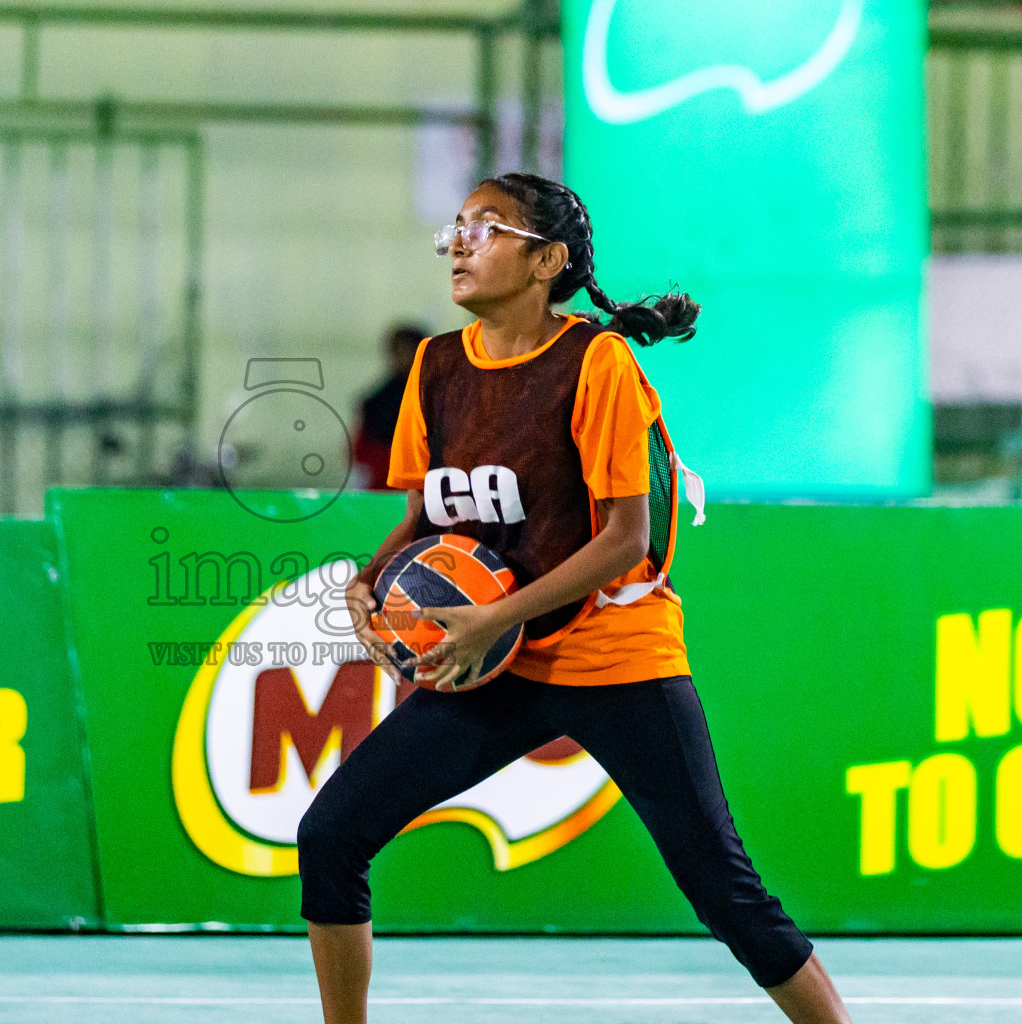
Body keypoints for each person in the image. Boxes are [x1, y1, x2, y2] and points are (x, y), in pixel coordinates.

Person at [303, 173, 854, 1024]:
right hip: (501, 665)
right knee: (332, 835)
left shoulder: (595, 362)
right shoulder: (436, 365)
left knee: (726, 893)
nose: (460, 243)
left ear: (545, 261)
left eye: (487, 229)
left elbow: (626, 539)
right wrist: (370, 580)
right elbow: (425, 512)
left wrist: (494, 616)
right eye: (457, 227)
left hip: (615, 655)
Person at [351, 322, 427, 490]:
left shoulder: (438, 399)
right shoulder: (375, 402)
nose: (405, 358)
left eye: (411, 351)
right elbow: (361, 453)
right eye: (400, 351)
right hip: (385, 492)